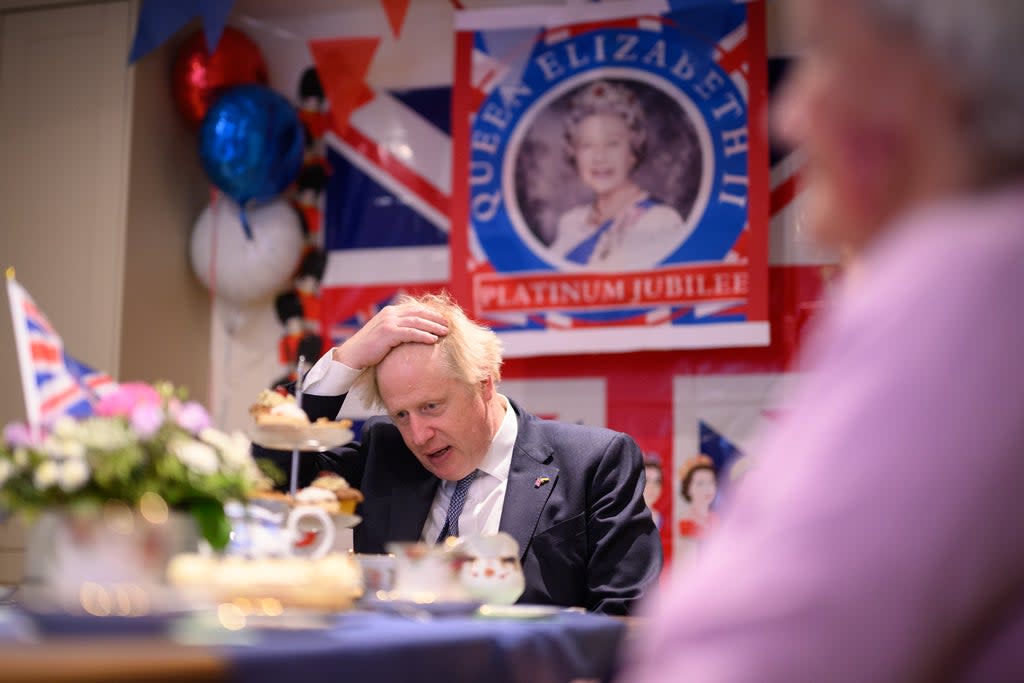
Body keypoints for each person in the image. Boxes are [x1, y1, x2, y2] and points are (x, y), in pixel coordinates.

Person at [623, 0, 1024, 681]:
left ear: (924, 84)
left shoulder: (973, 275)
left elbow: (773, 652)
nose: (790, 117)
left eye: (825, 56)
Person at [271, 292, 661, 615]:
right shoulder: (385, 452)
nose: (419, 436)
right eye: (401, 415)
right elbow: (272, 474)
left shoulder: (592, 463)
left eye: (431, 407)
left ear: (484, 385)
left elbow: (627, 618)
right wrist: (346, 360)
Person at [549, 79, 689, 270]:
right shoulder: (571, 222)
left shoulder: (660, 220)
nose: (599, 157)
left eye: (612, 144)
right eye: (587, 145)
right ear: (574, 154)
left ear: (633, 151)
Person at [676, 455, 717, 541]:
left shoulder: (716, 519)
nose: (708, 489)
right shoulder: (685, 522)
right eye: (700, 483)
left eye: (711, 482)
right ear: (688, 489)